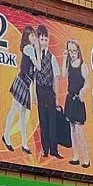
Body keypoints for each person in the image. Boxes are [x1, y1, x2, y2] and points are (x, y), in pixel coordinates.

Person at [31, 24, 67, 162]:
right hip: (39, 90)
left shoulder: (51, 57)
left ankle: (54, 149)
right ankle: (45, 149)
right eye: (42, 39)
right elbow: (34, 78)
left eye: (46, 39)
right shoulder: (35, 56)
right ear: (38, 40)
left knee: (52, 120)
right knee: (43, 120)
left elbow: (56, 78)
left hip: (49, 90)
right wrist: (34, 95)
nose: (44, 42)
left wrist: (56, 96)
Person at [1, 28, 36, 153]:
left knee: (22, 114)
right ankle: (6, 135)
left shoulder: (32, 49)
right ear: (27, 37)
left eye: (34, 35)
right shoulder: (29, 48)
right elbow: (37, 65)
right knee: (15, 109)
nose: (34, 38)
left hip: (26, 84)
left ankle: (24, 144)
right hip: (21, 82)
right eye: (31, 36)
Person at [61, 39, 89, 167]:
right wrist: (64, 58)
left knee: (79, 131)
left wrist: (83, 91)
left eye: (74, 51)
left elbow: (88, 83)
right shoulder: (69, 63)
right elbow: (63, 74)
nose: (72, 53)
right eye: (70, 50)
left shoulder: (83, 66)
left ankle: (86, 158)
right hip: (70, 99)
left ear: (78, 50)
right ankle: (75, 156)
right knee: (71, 129)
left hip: (78, 100)